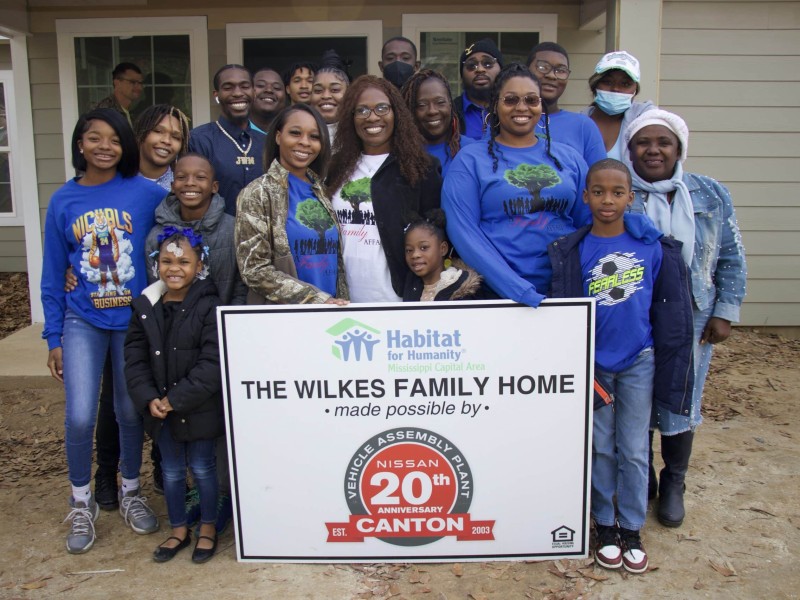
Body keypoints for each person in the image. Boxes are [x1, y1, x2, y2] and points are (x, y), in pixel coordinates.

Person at [548, 158, 694, 573]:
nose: (607, 200)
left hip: (638, 362)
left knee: (633, 448)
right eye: (598, 192)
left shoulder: (652, 246)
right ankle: (605, 525)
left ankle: (631, 527)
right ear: (585, 197)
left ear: (631, 197)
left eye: (616, 192)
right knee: (600, 447)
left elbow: (667, 309)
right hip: (594, 364)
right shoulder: (573, 250)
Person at [41, 108, 165, 554]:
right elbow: (53, 273)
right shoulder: (63, 200)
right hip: (83, 320)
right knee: (80, 414)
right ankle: (81, 501)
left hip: (132, 321)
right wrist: (52, 337)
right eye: (95, 138)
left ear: (125, 145)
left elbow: (177, 237)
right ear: (80, 144)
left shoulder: (147, 194)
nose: (105, 147)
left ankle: (130, 490)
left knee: (129, 411)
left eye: (114, 139)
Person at [625, 109, 747, 528]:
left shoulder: (710, 193)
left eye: (664, 142)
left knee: (682, 395)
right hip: (636, 313)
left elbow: (731, 255)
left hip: (693, 313)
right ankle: (642, 476)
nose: (653, 150)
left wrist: (725, 311)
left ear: (679, 149)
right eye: (643, 142)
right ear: (630, 150)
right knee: (638, 393)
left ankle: (674, 480)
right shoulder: (620, 191)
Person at [442, 63, 590, 307]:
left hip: (565, 290)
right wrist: (518, 290)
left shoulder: (570, 158)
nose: (522, 107)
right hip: (497, 294)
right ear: (495, 105)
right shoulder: (470, 161)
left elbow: (590, 221)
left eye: (531, 100)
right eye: (511, 100)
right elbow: (464, 233)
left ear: (541, 105)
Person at [125, 228, 223, 564]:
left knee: (203, 467)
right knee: (171, 470)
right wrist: (148, 397)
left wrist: (177, 399)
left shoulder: (209, 306)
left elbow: (212, 363)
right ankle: (178, 528)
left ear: (200, 266)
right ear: (156, 264)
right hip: (160, 411)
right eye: (167, 261)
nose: (174, 268)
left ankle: (207, 527)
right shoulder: (144, 307)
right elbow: (134, 360)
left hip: (200, 408)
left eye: (184, 261)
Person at [327, 75, 442, 302]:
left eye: (382, 108)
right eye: (362, 110)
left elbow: (434, 237)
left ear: (396, 113)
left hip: (398, 299)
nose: (372, 117)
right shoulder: (335, 167)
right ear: (351, 117)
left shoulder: (422, 168)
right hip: (340, 299)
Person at [236, 104, 348, 305]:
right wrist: (316, 299)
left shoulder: (323, 191)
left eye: (314, 137)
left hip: (331, 311)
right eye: (295, 133)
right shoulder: (257, 193)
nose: (305, 142)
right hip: (284, 315)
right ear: (278, 137)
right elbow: (254, 269)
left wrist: (333, 302)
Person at [188, 64, 266, 216]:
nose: (237, 93)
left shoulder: (266, 143)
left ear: (254, 92)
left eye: (244, 86)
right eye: (228, 87)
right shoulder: (199, 140)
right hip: (214, 229)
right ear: (216, 95)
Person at [527, 42, 606, 168]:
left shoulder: (583, 126)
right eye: (542, 67)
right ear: (526, 71)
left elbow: (601, 175)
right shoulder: (510, 120)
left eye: (561, 70)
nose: (551, 75)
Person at [402, 69, 476, 178]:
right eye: (422, 105)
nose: (432, 111)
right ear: (411, 110)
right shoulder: (402, 154)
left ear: (450, 104)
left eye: (440, 102)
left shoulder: (473, 150)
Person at [403, 209, 488, 301]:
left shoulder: (460, 289)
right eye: (409, 250)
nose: (415, 255)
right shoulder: (411, 287)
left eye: (424, 247)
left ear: (443, 249)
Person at [586, 51, 655, 161]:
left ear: (635, 90)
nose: (615, 89)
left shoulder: (646, 118)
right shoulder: (578, 123)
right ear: (595, 85)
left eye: (625, 84)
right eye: (608, 82)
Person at [453, 38, 503, 140]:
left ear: (501, 70)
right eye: (471, 65)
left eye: (487, 63)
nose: (480, 69)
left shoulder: (513, 108)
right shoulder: (450, 111)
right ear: (462, 75)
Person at [134, 104, 191, 190]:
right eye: (158, 131)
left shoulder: (184, 188)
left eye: (176, 137)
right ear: (140, 133)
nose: (167, 141)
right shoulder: (117, 179)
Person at [311, 51, 350, 146]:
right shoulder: (301, 131)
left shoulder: (359, 133)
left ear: (349, 94)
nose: (326, 96)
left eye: (335, 90)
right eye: (318, 90)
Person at [250, 67, 287, 134]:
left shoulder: (292, 132)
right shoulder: (235, 131)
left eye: (277, 87)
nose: (269, 90)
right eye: (261, 85)